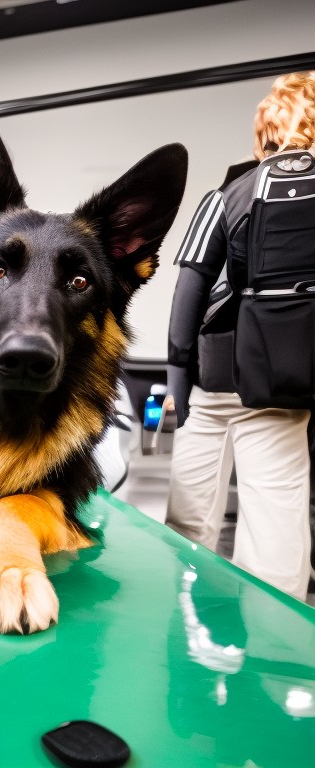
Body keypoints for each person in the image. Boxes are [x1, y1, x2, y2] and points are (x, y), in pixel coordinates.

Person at [165, 72, 315, 601]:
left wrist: (178, 381)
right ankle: (279, 659)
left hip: (213, 379)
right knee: (275, 522)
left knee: (190, 513)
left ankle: (181, 622)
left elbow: (188, 295)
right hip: (283, 385)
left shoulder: (229, 193)